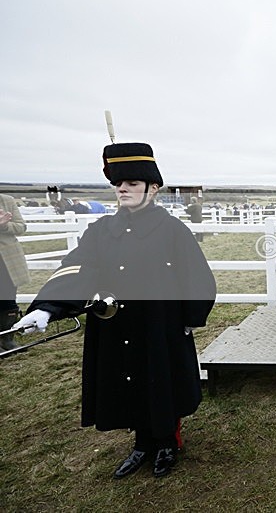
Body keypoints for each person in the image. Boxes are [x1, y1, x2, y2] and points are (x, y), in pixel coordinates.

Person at [14, 141, 216, 479]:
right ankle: (141, 444)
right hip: (116, 326)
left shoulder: (172, 231)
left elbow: (197, 276)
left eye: (132, 183)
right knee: (128, 380)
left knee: (159, 382)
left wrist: (190, 318)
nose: (123, 189)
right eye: (118, 183)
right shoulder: (102, 231)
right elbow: (77, 268)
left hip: (159, 324)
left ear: (153, 188)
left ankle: (166, 442)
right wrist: (47, 308)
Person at [0, 194, 30, 351]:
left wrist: (4, 226)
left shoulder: (7, 201)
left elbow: (21, 227)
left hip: (7, 261)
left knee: (8, 299)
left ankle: (7, 339)